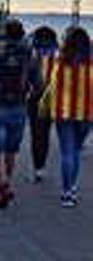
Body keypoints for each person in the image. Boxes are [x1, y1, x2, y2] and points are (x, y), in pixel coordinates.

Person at [0, 19, 42, 209]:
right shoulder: (29, 57)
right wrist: (28, 97)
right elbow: (40, 84)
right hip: (19, 107)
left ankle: (3, 181)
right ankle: (7, 180)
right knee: (11, 150)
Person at [40, 27, 92, 208]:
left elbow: (49, 83)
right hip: (87, 114)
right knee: (76, 151)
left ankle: (67, 192)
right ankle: (72, 187)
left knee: (67, 152)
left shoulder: (58, 61)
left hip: (63, 113)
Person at [28, 26, 59, 182]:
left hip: (34, 97)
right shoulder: (59, 55)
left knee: (36, 134)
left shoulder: (32, 54)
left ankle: (37, 166)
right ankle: (41, 167)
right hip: (52, 98)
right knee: (45, 133)